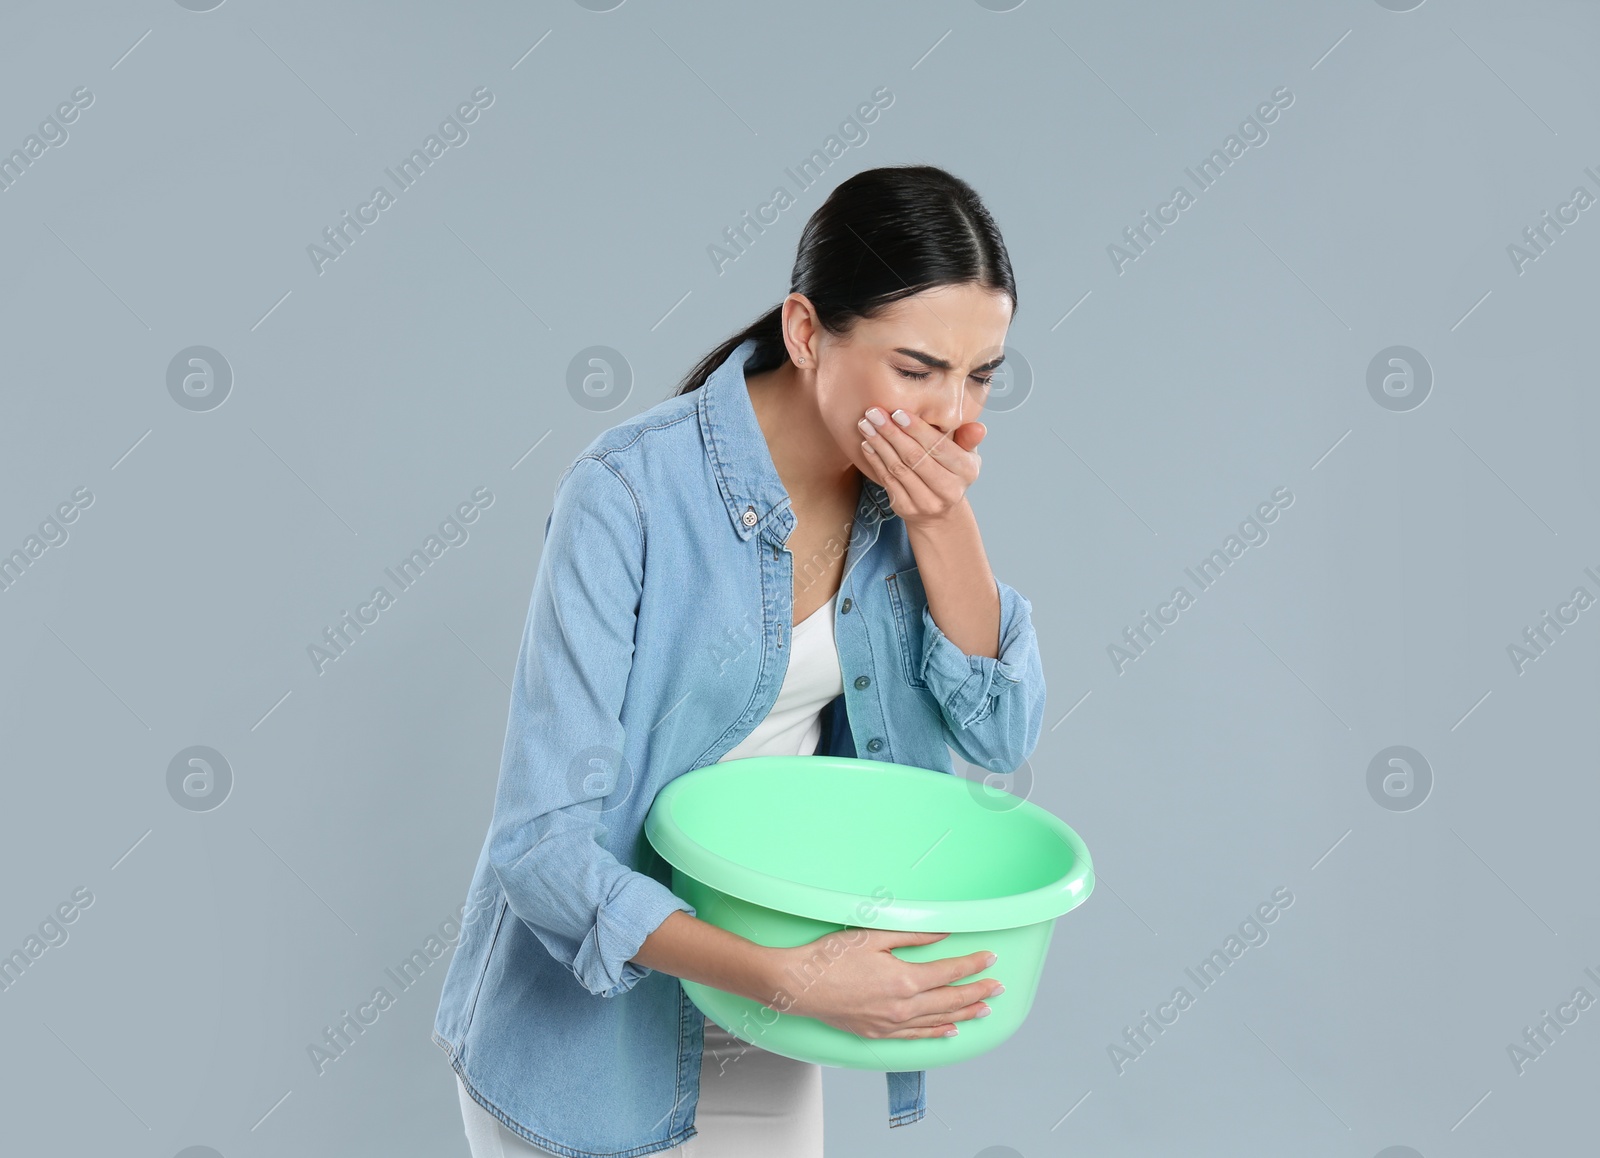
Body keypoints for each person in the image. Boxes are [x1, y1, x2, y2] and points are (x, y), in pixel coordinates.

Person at [433, 163, 1047, 1157]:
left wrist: (945, 524)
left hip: (775, 1018)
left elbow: (998, 735)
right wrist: (795, 977)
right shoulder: (626, 496)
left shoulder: (902, 507)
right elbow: (538, 850)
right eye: (917, 367)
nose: (948, 414)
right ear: (807, 333)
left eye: (980, 376)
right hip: (595, 1039)